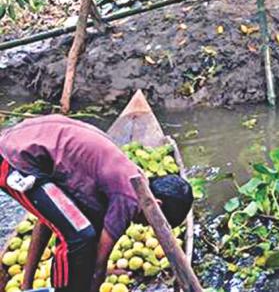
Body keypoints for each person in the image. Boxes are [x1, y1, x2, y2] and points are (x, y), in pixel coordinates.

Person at [0, 115, 194, 292]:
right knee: (80, 236)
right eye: (152, 224)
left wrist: (26, 285)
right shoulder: (129, 199)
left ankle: (45, 287)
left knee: (77, 228)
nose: (144, 226)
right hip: (16, 159)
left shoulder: (130, 179)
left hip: (27, 144)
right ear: (156, 206)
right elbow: (98, 268)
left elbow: (46, 221)